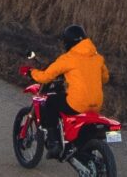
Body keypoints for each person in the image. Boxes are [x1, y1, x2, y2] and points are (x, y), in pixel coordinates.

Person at [26, 23, 107, 157]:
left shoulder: (68, 58)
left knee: (49, 102)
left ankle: (54, 143)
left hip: (78, 103)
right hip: (96, 104)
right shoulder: (97, 58)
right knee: (64, 98)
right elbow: (104, 78)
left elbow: (45, 77)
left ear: (68, 43)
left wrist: (32, 72)